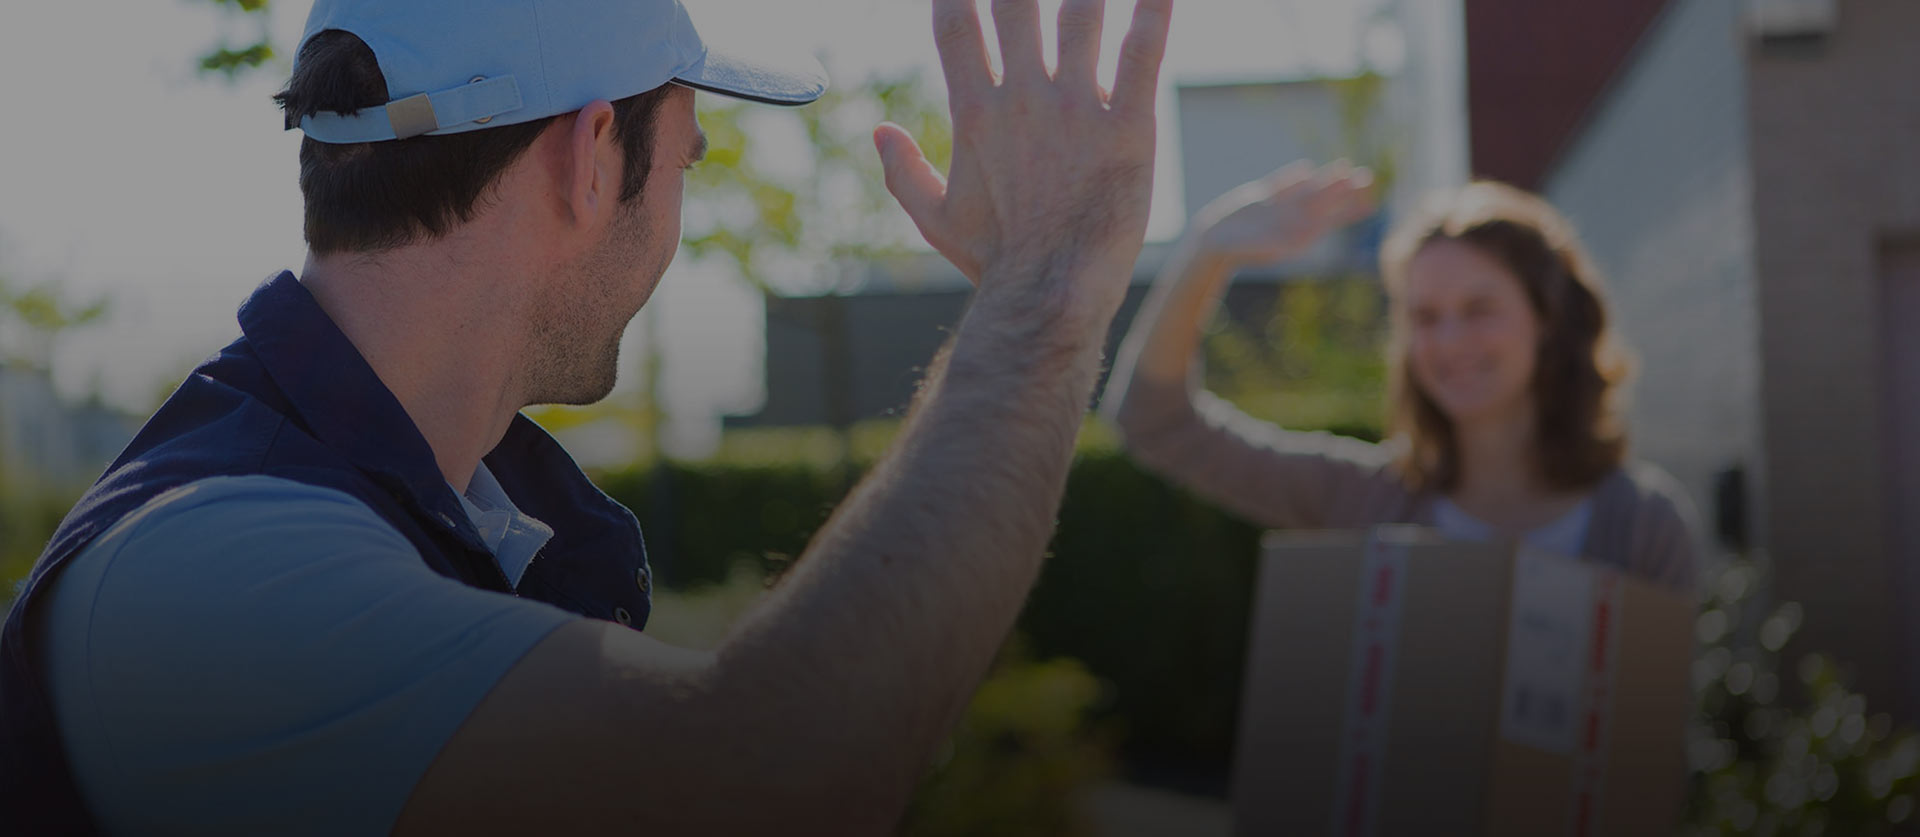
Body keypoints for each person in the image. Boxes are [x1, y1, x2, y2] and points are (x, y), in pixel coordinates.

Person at [0, 0, 1175, 833]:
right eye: (688, 165)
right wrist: (1047, 296)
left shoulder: (453, 513)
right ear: (591, 155)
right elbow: (773, 779)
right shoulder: (213, 569)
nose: (679, 218)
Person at [1102, 165, 1699, 590]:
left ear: (1547, 321)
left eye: (1479, 309)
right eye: (1426, 317)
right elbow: (1153, 424)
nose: (1450, 341)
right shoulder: (1360, 500)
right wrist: (1208, 251)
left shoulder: (1644, 526)